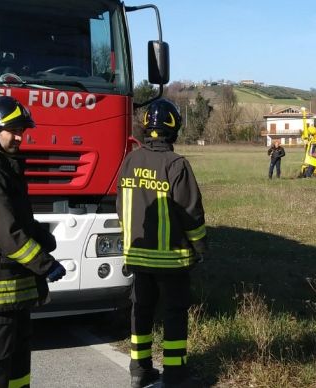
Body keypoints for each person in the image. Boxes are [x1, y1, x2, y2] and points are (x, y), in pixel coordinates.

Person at [0, 96, 66, 388]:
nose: (21, 136)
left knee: (18, 362)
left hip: (15, 288)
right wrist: (45, 264)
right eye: (14, 130)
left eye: (23, 130)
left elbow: (19, 219)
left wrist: (44, 237)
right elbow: (5, 234)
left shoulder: (5, 168)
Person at [117, 99, 207, 388]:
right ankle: (174, 375)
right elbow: (190, 211)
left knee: (141, 312)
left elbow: (121, 206)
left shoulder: (130, 160)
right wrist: (201, 248)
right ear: (173, 130)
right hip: (171, 260)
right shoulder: (176, 164)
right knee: (174, 315)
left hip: (138, 258)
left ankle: (139, 370)